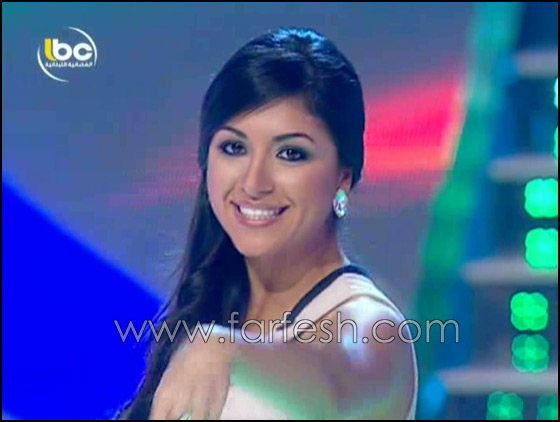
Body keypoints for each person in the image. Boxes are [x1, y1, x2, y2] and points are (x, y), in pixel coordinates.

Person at [116, 27, 417, 420]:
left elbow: (335, 379)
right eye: (234, 148)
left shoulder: (370, 323)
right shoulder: (214, 307)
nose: (254, 183)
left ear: (342, 178)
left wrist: (223, 348)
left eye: (290, 153)